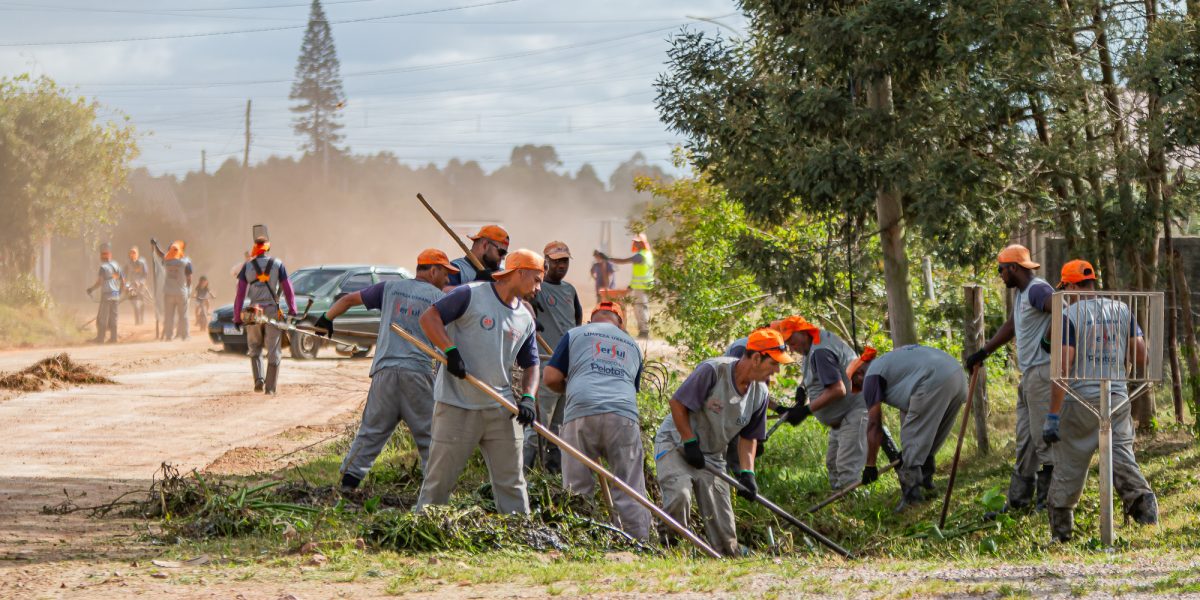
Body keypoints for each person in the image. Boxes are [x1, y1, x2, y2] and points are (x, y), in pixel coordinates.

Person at [316, 249, 458, 492]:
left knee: (370, 433)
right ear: (433, 270)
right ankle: (434, 494)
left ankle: (347, 487)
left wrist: (326, 320)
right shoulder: (439, 297)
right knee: (430, 436)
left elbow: (348, 299)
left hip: (385, 372)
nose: (448, 280)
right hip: (418, 374)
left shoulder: (389, 289)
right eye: (445, 274)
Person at [415, 249, 543, 514]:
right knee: (439, 480)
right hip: (457, 405)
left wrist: (528, 398)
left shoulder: (524, 318)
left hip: (501, 408)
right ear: (520, 272)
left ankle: (519, 533)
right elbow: (429, 318)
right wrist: (450, 351)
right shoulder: (470, 294)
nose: (539, 287)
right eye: (537, 279)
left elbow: (532, 364)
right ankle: (425, 525)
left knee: (513, 482)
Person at [1043, 259, 1157, 542]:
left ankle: (1062, 535)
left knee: (1069, 463)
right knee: (1122, 458)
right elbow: (1141, 356)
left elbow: (1063, 368)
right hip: (1116, 399)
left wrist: (1053, 415)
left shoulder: (1069, 315)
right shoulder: (1122, 309)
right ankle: (1148, 522)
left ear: (1070, 285)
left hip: (1080, 401)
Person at [652, 328, 791, 556]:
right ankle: (668, 549)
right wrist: (689, 441)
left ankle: (727, 555)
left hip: (712, 455)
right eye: (773, 364)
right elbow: (677, 404)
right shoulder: (714, 371)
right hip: (677, 444)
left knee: (725, 534)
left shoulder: (761, 394)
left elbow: (749, 437)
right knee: (680, 496)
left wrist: (748, 473)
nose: (775, 372)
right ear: (756, 358)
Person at [543, 301, 651, 541]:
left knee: (577, 486)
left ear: (591, 320)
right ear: (621, 324)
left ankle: (581, 540)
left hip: (580, 412)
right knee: (630, 486)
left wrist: (573, 389)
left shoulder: (575, 334)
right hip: (623, 416)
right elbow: (632, 388)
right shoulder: (632, 345)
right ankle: (638, 543)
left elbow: (550, 378)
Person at [964, 244, 1056, 511]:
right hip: (1029, 376)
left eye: (1001, 270)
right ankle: (1018, 502)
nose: (1000, 275)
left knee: (1044, 441)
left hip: (1043, 373)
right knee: (1025, 441)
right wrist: (984, 351)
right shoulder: (1023, 295)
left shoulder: (1038, 289)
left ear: (1014, 268)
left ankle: (1050, 504)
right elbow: (1011, 326)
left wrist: (1050, 339)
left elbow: (1061, 308)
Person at [776, 318, 889, 490]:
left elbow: (838, 390)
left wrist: (805, 411)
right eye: (787, 343)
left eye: (792, 341)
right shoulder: (814, 342)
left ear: (804, 332)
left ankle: (855, 510)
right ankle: (841, 504)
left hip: (854, 410)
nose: (791, 348)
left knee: (846, 467)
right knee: (833, 464)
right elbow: (818, 372)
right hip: (841, 417)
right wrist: (802, 388)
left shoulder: (820, 351)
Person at [861, 345, 967, 511]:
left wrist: (870, 465)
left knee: (913, 444)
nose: (861, 390)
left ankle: (912, 498)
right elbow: (911, 409)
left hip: (933, 380)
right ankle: (926, 485)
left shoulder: (871, 376)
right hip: (958, 376)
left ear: (859, 374)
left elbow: (874, 425)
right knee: (927, 440)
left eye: (857, 385)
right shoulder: (894, 364)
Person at [523, 241, 583, 473]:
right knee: (538, 423)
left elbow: (576, 321)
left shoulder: (570, 290)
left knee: (559, 425)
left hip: (568, 367)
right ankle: (525, 471)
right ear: (545, 262)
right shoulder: (537, 288)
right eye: (556, 260)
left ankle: (552, 471)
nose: (561, 265)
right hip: (547, 364)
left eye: (565, 261)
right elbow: (522, 303)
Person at [232, 235, 297, 394]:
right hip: (272, 312)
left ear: (255, 248)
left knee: (254, 347)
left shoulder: (247, 267)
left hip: (253, 312)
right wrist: (293, 309)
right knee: (274, 350)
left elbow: (240, 294)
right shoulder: (278, 264)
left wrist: (237, 317)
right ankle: (270, 388)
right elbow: (288, 289)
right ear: (268, 247)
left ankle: (259, 380)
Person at [603, 233, 653, 340]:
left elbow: (623, 261)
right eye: (634, 242)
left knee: (640, 307)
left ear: (641, 243)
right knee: (639, 307)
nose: (634, 243)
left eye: (636, 242)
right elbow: (639, 274)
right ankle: (643, 331)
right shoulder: (647, 254)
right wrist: (631, 285)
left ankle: (644, 332)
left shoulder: (640, 255)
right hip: (643, 286)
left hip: (642, 287)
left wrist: (609, 259)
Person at [152, 239, 193, 341]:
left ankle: (168, 336)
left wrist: (155, 245)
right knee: (183, 315)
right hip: (181, 292)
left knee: (169, 316)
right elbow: (189, 278)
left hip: (168, 292)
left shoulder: (166, 260)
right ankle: (185, 335)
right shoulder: (186, 262)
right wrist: (187, 289)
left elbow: (160, 254)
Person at [86, 243, 123, 344]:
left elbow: (100, 282)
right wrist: (119, 292)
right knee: (113, 317)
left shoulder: (103, 267)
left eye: (102, 254)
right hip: (115, 294)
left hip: (107, 294)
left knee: (102, 317)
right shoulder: (116, 265)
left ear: (103, 255)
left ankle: (100, 338)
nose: (102, 256)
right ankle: (113, 338)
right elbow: (122, 280)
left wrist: (91, 289)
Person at [124, 246, 150, 325]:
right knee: (134, 303)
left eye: (134, 253)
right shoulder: (128, 263)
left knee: (141, 302)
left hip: (141, 286)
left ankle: (141, 318)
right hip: (132, 285)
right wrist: (126, 284)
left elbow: (145, 274)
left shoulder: (142, 262)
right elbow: (124, 274)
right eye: (131, 253)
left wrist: (140, 282)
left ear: (137, 254)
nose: (132, 254)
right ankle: (137, 319)